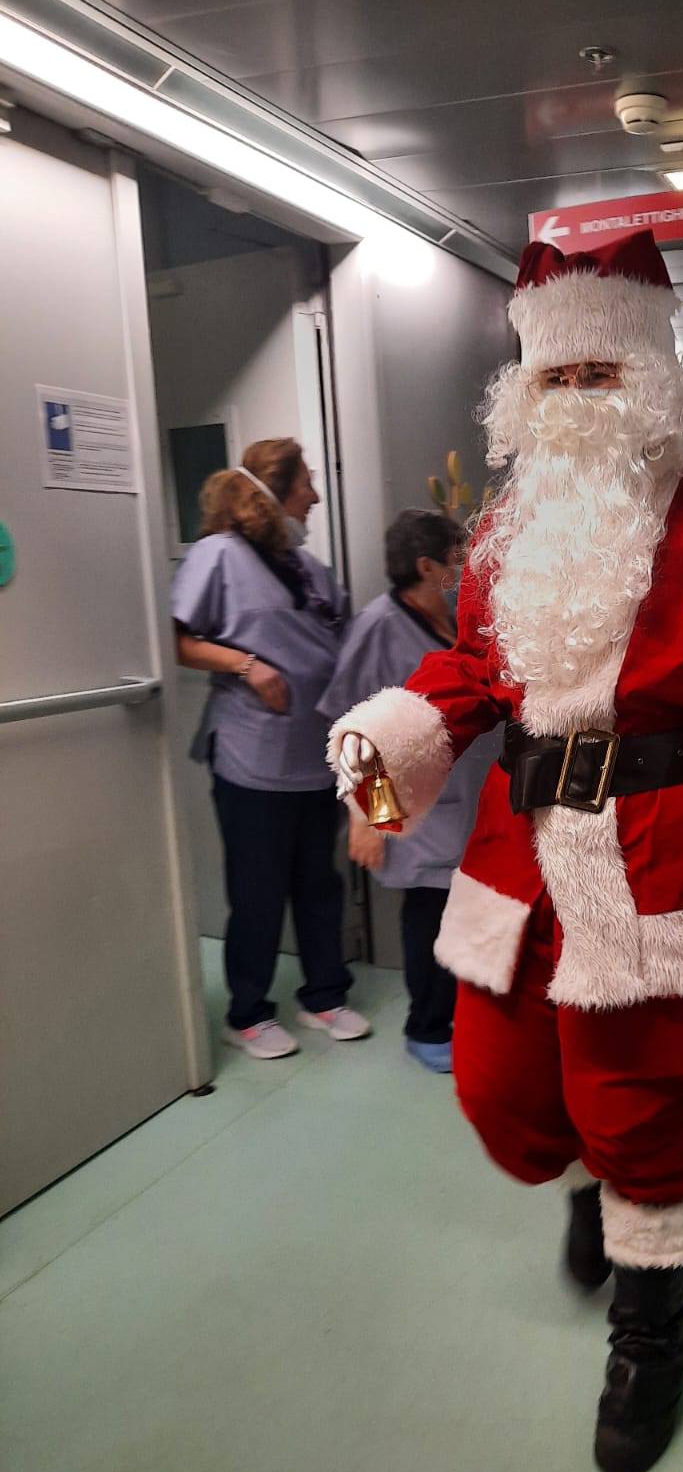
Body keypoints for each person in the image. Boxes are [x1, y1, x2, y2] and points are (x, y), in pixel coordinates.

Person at [329, 232, 683, 1472]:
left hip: (663, 871)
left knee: (631, 1103)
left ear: (652, 375)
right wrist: (378, 771)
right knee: (499, 1092)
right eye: (556, 377)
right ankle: (597, 1186)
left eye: (601, 373)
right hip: (524, 862)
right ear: (528, 387)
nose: (577, 398)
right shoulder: (512, 528)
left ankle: (651, 1323)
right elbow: (468, 673)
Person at [172, 438, 370, 1059]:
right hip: (252, 757)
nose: (314, 495)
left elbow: (342, 634)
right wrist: (247, 664)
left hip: (316, 755)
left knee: (319, 883)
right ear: (276, 489)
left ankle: (324, 996)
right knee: (257, 891)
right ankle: (248, 1011)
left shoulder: (309, 569)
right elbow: (178, 639)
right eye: (306, 482)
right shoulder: (218, 556)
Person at [318, 510, 497, 1073]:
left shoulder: (454, 622)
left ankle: (464, 1023)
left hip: (469, 804)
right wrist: (369, 819)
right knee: (430, 915)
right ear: (427, 566)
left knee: (464, 916)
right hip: (419, 809)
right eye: (456, 557)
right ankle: (427, 1028)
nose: (464, 566)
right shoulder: (378, 626)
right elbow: (353, 729)